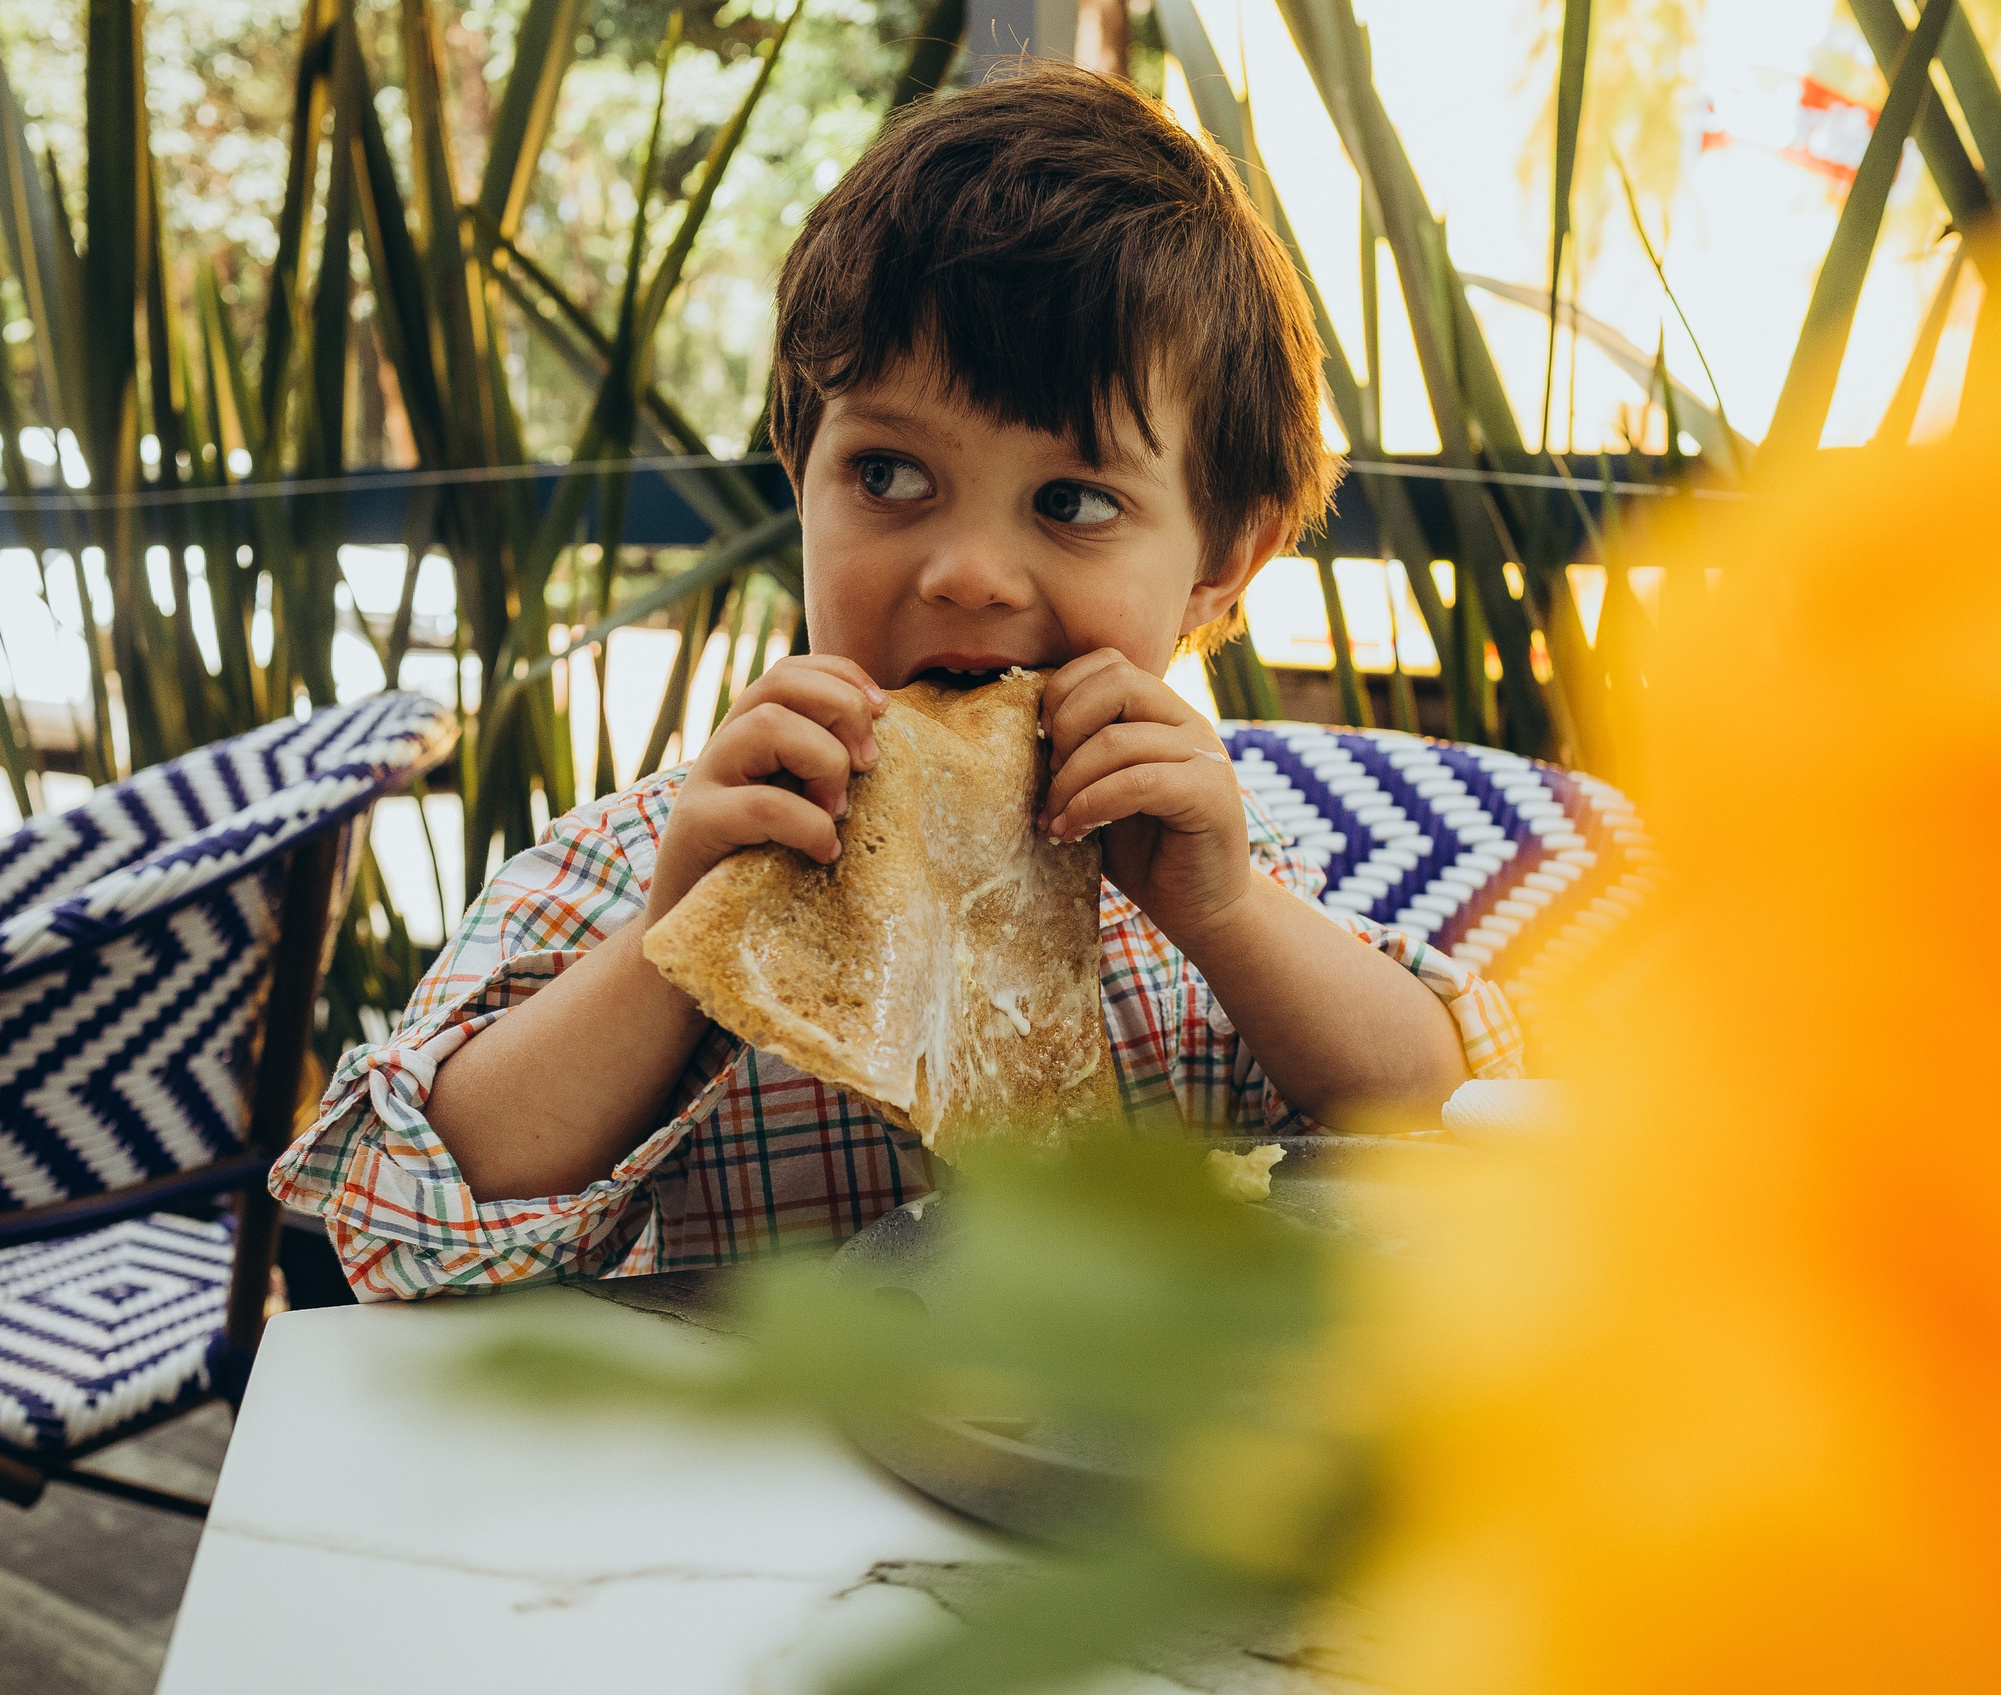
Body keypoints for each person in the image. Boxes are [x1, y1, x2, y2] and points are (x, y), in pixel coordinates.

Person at [269, 66, 1522, 1300]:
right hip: (725, 1477)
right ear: (796, 467)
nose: (970, 573)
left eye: (1073, 501)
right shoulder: (634, 865)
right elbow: (400, 1227)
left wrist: (1235, 915)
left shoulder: (1199, 883)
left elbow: (1445, 1127)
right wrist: (679, 947)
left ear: (1218, 564)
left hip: (1089, 1488)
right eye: (887, 475)